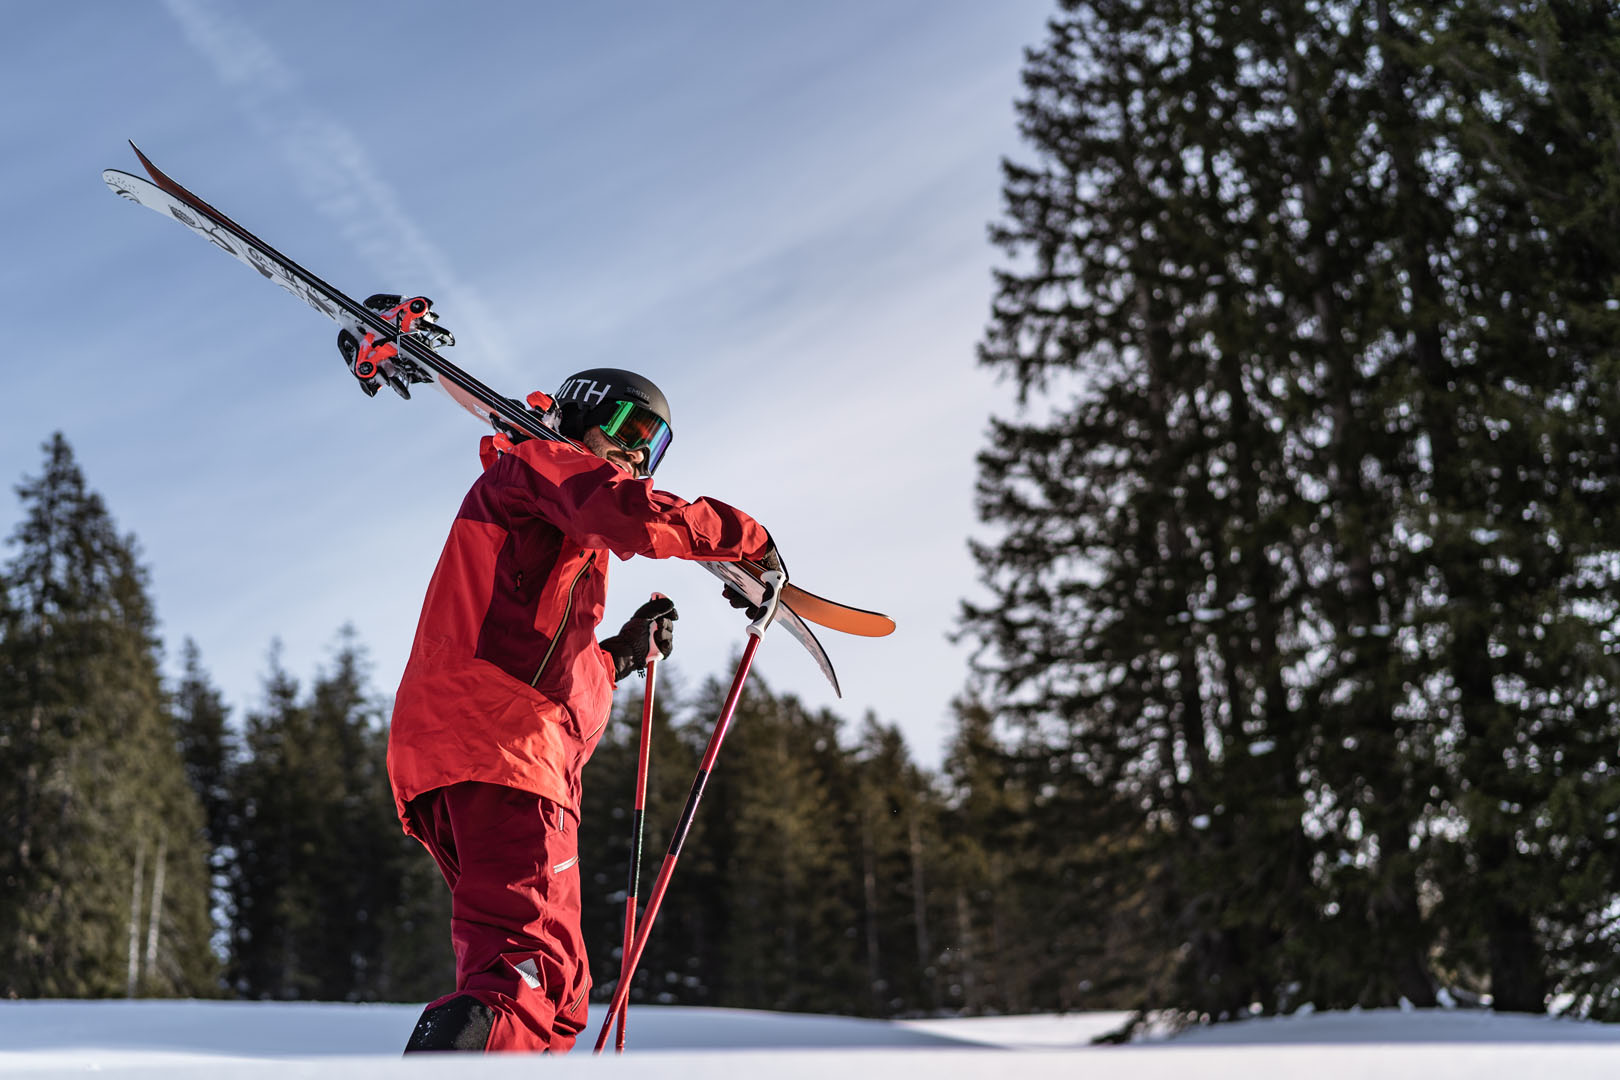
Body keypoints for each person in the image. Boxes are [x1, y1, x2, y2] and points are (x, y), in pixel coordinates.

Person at [387, 367, 777, 1053]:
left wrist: (622, 656)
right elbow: (630, 513)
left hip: (485, 747)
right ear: (578, 419)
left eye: (652, 450)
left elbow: (552, 687)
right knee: (524, 982)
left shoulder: (549, 518)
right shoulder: (540, 465)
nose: (635, 457)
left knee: (557, 997)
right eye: (629, 432)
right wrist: (744, 538)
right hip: (501, 750)